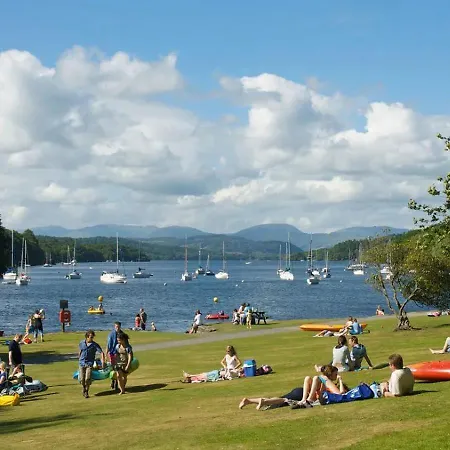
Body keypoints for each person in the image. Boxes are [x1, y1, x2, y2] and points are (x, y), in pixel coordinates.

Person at [78, 330, 105, 398]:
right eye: (91, 337)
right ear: (87, 337)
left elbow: (101, 353)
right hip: (81, 363)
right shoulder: (82, 343)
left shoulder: (94, 345)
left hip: (89, 364)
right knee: (81, 379)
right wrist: (79, 358)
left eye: (93, 337)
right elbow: (80, 351)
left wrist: (103, 362)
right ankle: (84, 388)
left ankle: (86, 391)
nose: (92, 338)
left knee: (88, 378)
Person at [239, 387, 304, 410]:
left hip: (298, 390)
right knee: (283, 400)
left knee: (282, 398)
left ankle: (249, 401)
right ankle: (264, 401)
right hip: (300, 394)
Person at [107, 322, 122, 390]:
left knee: (118, 368)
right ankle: (113, 381)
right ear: (114, 327)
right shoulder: (111, 334)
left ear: (120, 327)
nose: (117, 328)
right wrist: (107, 353)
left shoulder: (122, 334)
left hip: (119, 354)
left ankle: (116, 383)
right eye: (116, 327)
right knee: (113, 369)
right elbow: (108, 344)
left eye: (118, 327)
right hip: (112, 353)